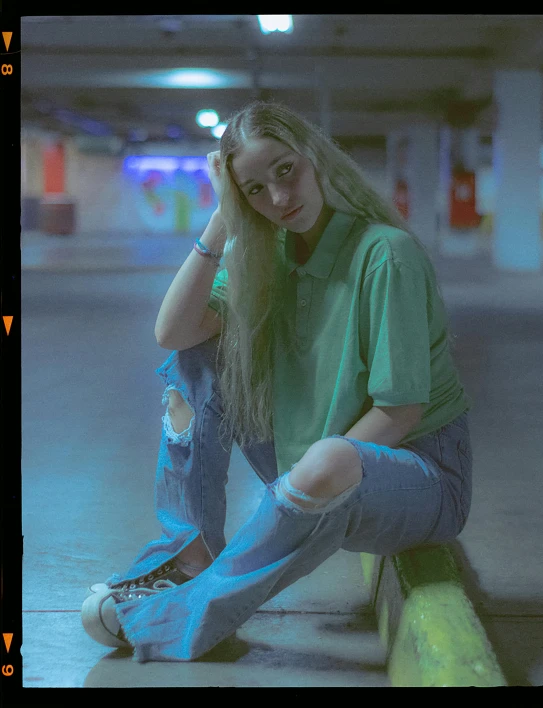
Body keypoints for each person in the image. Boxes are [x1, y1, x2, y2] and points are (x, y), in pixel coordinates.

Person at [81, 100, 473, 662]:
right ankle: (189, 551)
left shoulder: (386, 253)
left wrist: (296, 491)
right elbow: (173, 332)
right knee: (194, 360)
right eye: (255, 190)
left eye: (285, 170)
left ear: (314, 156)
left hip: (416, 476)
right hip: (308, 460)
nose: (279, 199)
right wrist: (222, 221)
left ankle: (179, 614)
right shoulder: (262, 253)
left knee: (331, 459)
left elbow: (401, 412)